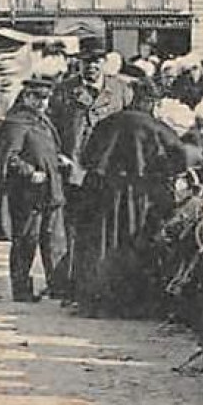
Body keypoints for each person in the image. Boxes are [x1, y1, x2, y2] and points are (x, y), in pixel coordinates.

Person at [72, 86, 188, 318]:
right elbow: (179, 159)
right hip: (141, 195)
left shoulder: (108, 122)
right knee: (135, 243)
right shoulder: (156, 127)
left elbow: (87, 157)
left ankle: (99, 301)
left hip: (107, 192)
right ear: (151, 102)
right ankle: (132, 304)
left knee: (105, 241)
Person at [49, 41, 131, 303]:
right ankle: (72, 286)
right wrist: (59, 157)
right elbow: (50, 128)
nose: (92, 66)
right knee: (73, 229)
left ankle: (100, 286)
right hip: (73, 170)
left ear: (104, 62)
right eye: (87, 61)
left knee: (104, 229)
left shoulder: (121, 91)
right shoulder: (64, 91)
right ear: (79, 62)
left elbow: (130, 128)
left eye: (97, 61)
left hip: (107, 172)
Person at [0, 75, 67, 303]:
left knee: (54, 241)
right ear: (27, 96)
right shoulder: (16, 122)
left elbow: (45, 149)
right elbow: (9, 158)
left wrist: (58, 159)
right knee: (26, 241)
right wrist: (29, 172)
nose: (42, 102)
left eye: (46, 98)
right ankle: (22, 289)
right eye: (38, 97)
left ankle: (57, 286)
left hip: (51, 190)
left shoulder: (42, 121)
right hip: (28, 194)